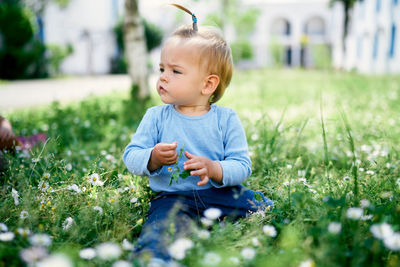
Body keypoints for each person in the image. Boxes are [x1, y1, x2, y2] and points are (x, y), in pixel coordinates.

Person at [123, 4, 273, 264]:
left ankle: (260, 221)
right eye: (161, 69)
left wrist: (215, 168)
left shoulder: (226, 119)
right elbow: (131, 156)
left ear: (208, 84)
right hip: (172, 198)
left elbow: (241, 165)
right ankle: (155, 258)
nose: (163, 78)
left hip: (221, 193)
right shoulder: (156, 116)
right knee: (161, 227)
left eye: (175, 71)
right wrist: (153, 158)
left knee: (262, 206)